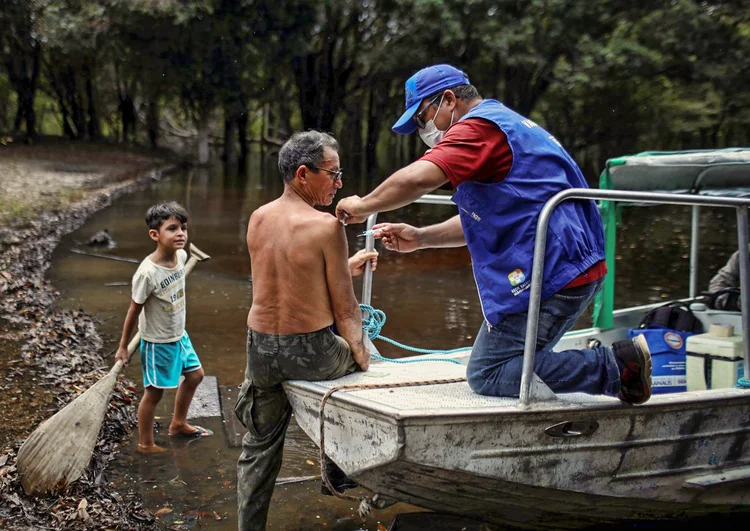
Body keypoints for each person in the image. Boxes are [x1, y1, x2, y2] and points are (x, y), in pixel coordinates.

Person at [335, 63, 652, 405]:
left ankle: (617, 367)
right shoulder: (502, 125)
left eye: (422, 118)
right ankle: (608, 370)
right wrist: (422, 237)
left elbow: (417, 179)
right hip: (568, 262)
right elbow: (482, 217)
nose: (422, 129)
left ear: (448, 99)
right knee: (505, 362)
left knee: (488, 371)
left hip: (558, 268)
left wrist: (364, 204)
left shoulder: (478, 129)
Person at [235, 130, 377, 531]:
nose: (340, 183)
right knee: (361, 365)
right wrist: (363, 356)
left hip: (260, 349)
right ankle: (338, 470)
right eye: (333, 173)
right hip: (312, 352)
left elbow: (282, 278)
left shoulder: (258, 218)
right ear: (303, 173)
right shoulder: (328, 228)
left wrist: (343, 268)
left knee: (258, 448)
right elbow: (347, 311)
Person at [114, 201, 212, 454]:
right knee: (154, 394)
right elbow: (133, 310)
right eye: (172, 229)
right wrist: (123, 346)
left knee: (195, 375)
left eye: (183, 228)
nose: (180, 233)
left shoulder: (180, 257)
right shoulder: (147, 274)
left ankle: (178, 424)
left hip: (179, 335)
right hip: (158, 342)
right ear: (155, 235)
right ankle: (145, 443)